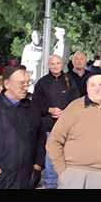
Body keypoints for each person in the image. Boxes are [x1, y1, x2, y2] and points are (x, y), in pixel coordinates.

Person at [46, 67, 101, 189]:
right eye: (92, 85)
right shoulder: (74, 108)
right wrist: (62, 171)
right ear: (87, 87)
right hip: (74, 176)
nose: (97, 89)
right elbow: (54, 141)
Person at [33, 54, 80, 189]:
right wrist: (49, 109)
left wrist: (65, 112)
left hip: (67, 127)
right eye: (52, 64)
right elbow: (35, 104)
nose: (55, 66)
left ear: (62, 64)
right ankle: (50, 183)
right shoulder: (42, 83)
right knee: (50, 157)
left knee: (68, 156)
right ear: (48, 65)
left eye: (58, 63)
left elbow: (76, 102)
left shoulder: (69, 80)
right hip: (49, 126)